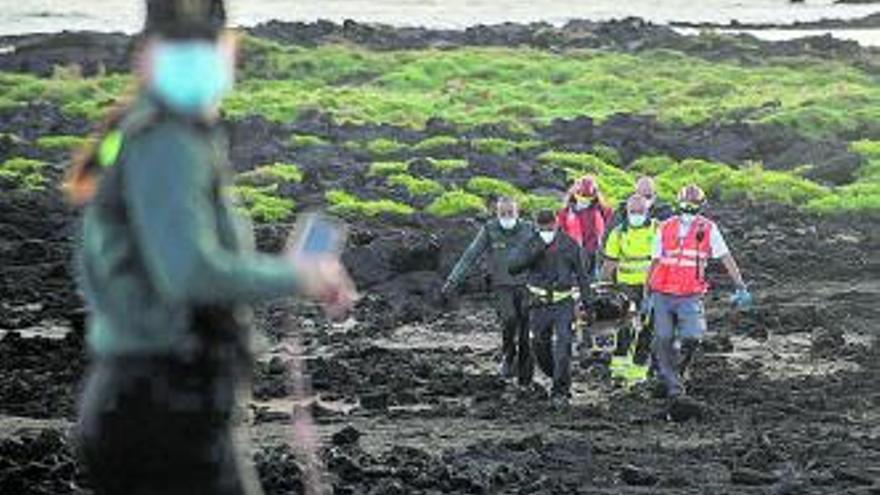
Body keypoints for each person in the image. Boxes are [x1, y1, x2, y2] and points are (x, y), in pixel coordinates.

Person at [65, 1, 357, 493]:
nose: (193, 57)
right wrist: (298, 276)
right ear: (145, 56)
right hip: (163, 404)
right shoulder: (167, 140)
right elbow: (188, 272)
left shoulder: (138, 131)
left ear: (226, 51)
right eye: (179, 45)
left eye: (202, 44)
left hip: (146, 399)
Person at [648, 184, 751, 401]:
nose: (688, 209)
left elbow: (725, 257)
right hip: (663, 292)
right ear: (678, 204)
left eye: (693, 205)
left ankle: (677, 370)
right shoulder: (664, 227)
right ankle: (673, 385)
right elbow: (655, 261)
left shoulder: (708, 228)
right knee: (663, 338)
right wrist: (646, 293)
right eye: (685, 204)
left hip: (690, 293)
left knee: (692, 337)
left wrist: (740, 285)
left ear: (701, 206)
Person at [441, 196, 535, 384]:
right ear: (496, 213)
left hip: (527, 286)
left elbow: (546, 254)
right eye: (503, 213)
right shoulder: (489, 230)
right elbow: (470, 256)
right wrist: (453, 280)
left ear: (518, 213)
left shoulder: (529, 229)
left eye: (510, 213)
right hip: (502, 286)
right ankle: (508, 354)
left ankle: (525, 377)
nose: (507, 217)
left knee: (526, 332)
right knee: (508, 320)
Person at [509, 209, 591, 408]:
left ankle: (560, 391)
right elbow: (513, 268)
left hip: (563, 302)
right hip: (538, 303)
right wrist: (535, 251)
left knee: (563, 345)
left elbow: (582, 275)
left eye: (549, 226)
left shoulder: (570, 245)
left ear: (556, 224)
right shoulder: (529, 243)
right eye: (542, 227)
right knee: (539, 346)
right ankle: (555, 375)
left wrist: (588, 304)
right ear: (536, 226)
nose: (546, 230)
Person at [600, 194, 659, 363]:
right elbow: (609, 263)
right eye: (633, 211)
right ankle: (621, 357)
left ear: (647, 211)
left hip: (653, 285)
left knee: (651, 322)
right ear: (626, 211)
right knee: (625, 323)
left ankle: (642, 357)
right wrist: (604, 287)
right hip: (625, 285)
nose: (636, 215)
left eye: (640, 211)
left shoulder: (657, 229)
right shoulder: (618, 234)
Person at [557, 175, 613, 278]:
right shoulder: (565, 213)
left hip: (596, 253)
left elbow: (610, 224)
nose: (584, 200)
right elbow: (560, 234)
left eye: (588, 197)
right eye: (581, 196)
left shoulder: (602, 210)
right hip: (574, 254)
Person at [608, 176, 674, 230]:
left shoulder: (665, 213)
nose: (643, 200)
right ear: (634, 194)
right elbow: (608, 237)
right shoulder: (621, 212)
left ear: (655, 196)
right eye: (640, 195)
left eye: (648, 196)